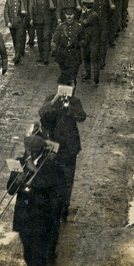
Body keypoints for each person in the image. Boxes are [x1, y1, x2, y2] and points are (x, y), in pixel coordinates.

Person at [12, 136, 65, 266]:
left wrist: (34, 170)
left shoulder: (51, 165)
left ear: (40, 151)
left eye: (32, 152)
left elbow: (53, 187)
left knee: (39, 253)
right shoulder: (20, 162)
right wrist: (17, 180)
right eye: (27, 150)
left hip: (42, 215)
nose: (29, 154)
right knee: (27, 253)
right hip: (23, 215)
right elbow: (10, 190)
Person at [38, 92, 86, 221]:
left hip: (70, 146)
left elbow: (82, 117)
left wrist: (69, 107)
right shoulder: (50, 98)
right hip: (54, 145)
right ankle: (54, 204)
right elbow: (41, 112)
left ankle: (65, 204)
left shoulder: (75, 101)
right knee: (53, 175)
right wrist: (54, 101)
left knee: (68, 177)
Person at [50, 7, 83, 85]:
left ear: (74, 15)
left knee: (72, 77)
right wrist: (55, 50)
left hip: (75, 55)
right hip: (63, 56)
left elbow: (84, 40)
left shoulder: (78, 27)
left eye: (71, 15)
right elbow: (54, 40)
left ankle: (70, 95)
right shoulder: (60, 27)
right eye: (67, 15)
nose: (69, 17)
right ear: (64, 15)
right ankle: (65, 95)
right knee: (65, 76)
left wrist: (78, 44)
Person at [4, 0, 29, 65]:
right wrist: (7, 22)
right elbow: (6, 11)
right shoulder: (9, 0)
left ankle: (17, 55)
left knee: (18, 39)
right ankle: (19, 51)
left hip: (20, 22)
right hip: (12, 23)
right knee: (15, 40)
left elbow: (27, 9)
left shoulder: (23, 0)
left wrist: (24, 12)